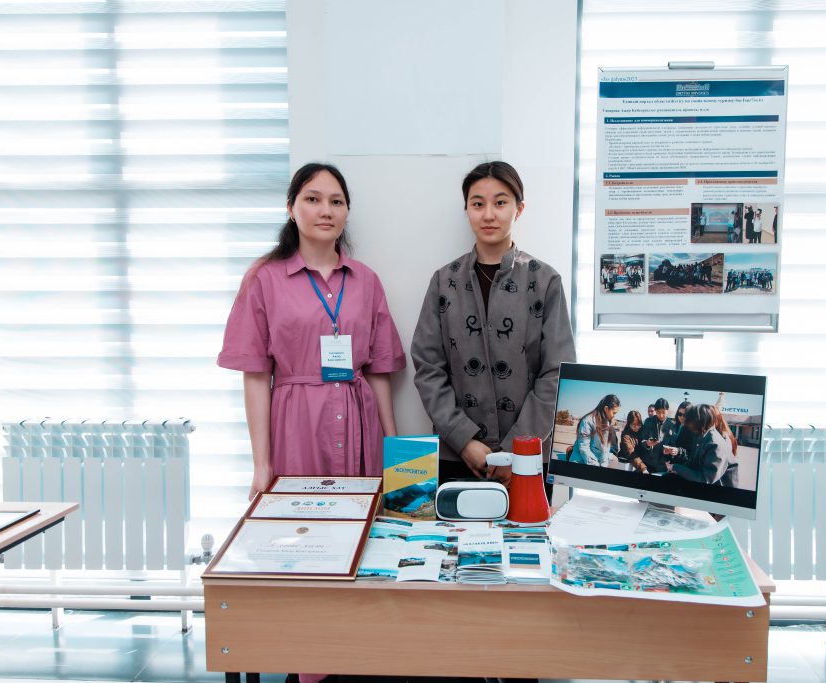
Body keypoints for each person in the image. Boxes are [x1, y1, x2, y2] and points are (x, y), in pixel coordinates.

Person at [218, 163, 406, 683]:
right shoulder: (264, 279)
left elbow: (380, 370)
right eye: (313, 198)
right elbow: (255, 375)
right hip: (297, 422)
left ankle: (357, 657)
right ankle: (309, 663)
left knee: (362, 541)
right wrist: (262, 464)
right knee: (303, 542)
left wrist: (394, 450)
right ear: (291, 207)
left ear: (347, 212)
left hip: (360, 420)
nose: (326, 210)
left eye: (336, 201)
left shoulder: (365, 280)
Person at [412, 161, 576, 490]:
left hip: (529, 458)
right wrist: (463, 440)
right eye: (478, 204)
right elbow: (428, 367)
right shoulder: (444, 281)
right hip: (458, 457)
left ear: (519, 209)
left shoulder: (545, 281)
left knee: (529, 526)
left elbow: (558, 372)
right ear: (467, 210)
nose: (489, 214)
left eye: (500, 202)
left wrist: (518, 449)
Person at [663, 404, 738, 486]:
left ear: (698, 421)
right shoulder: (702, 435)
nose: (687, 424)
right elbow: (693, 462)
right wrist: (675, 468)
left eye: (689, 420)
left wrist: (676, 468)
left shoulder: (715, 444)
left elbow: (705, 479)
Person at [570, 394, 621, 466]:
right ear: (606, 409)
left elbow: (605, 449)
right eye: (614, 413)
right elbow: (584, 448)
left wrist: (603, 465)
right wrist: (596, 466)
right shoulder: (587, 421)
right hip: (581, 461)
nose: (614, 416)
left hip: (597, 460)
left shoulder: (607, 423)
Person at [632, 398, 676, 473]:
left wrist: (670, 451)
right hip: (647, 463)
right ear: (655, 411)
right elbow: (642, 440)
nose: (661, 415)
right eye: (658, 412)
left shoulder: (672, 425)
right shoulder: (648, 421)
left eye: (663, 412)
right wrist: (647, 443)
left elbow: (673, 445)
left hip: (663, 466)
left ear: (667, 410)